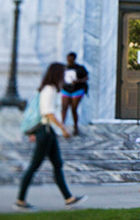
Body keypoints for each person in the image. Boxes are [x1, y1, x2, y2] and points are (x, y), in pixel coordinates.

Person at [15, 62, 88, 211]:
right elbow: (47, 112)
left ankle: (69, 198)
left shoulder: (50, 89)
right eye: (62, 73)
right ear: (56, 74)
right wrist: (63, 128)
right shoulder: (49, 89)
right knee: (34, 166)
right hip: (45, 132)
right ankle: (20, 200)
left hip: (48, 132)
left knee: (57, 164)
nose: (64, 76)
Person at [60, 52, 88, 136]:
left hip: (77, 90)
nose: (69, 61)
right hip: (66, 89)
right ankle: (62, 126)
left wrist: (78, 81)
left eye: (71, 59)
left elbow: (86, 78)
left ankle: (75, 126)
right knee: (64, 108)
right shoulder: (64, 68)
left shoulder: (80, 68)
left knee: (73, 108)